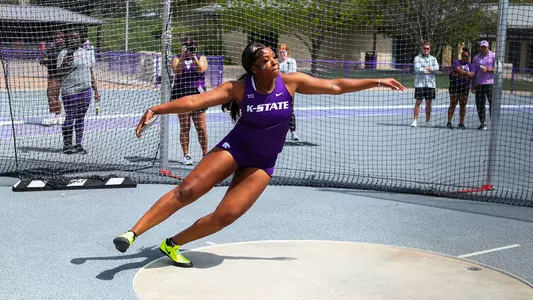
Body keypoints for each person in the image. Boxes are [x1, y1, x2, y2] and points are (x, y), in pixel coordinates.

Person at [112, 43, 405, 267]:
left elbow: (336, 86)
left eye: (272, 57)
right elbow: (196, 100)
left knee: (226, 215)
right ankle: (132, 233)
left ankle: (171, 244)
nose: (273, 61)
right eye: (266, 60)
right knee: (188, 190)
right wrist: (156, 109)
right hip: (235, 149)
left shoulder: (291, 82)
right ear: (255, 68)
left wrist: (377, 81)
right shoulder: (238, 88)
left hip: (263, 162)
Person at [56, 32, 100, 154]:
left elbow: (90, 72)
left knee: (80, 118)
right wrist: (65, 63)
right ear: (68, 39)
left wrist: (96, 90)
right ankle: (67, 145)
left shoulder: (86, 53)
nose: (74, 39)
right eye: (71, 37)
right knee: (70, 118)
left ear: (80, 38)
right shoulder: (63, 53)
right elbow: (58, 73)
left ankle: (78, 145)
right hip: (70, 91)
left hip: (86, 90)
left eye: (76, 37)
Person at [170, 38, 209, 165]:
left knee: (201, 127)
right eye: (186, 46)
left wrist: (193, 57)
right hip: (182, 93)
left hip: (197, 94)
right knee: (185, 126)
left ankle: (205, 154)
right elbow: (177, 71)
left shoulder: (201, 57)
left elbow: (200, 69)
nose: (188, 49)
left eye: (191, 47)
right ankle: (186, 155)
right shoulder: (176, 58)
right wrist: (182, 56)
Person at [39, 31, 65, 126]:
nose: (59, 39)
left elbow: (53, 61)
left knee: (51, 96)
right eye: (57, 38)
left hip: (56, 76)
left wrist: (46, 61)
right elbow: (46, 59)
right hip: (53, 75)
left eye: (61, 37)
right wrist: (43, 60)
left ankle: (54, 117)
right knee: (54, 96)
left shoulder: (62, 50)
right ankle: (57, 116)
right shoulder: (51, 49)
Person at [411, 42, 439, 128]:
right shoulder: (417, 58)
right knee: (418, 102)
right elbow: (417, 69)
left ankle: (428, 121)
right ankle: (415, 121)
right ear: (422, 49)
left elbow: (437, 68)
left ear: (430, 49)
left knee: (429, 103)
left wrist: (427, 69)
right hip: (420, 84)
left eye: (428, 48)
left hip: (430, 84)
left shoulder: (433, 59)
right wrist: (429, 70)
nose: (426, 50)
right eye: (425, 48)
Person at [447, 49, 475, 129]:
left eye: (466, 56)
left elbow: (472, 75)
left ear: (469, 57)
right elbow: (457, 70)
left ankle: (461, 123)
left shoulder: (471, 66)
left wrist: (460, 74)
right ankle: (449, 122)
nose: (464, 58)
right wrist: (466, 73)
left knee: (463, 105)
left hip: (465, 88)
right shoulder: (457, 62)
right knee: (453, 104)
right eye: (463, 56)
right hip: (455, 86)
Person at [278, 43, 299, 141]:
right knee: (279, 110)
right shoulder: (277, 63)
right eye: (280, 52)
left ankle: (293, 133)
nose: (282, 54)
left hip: (289, 89)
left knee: (290, 110)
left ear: (287, 52)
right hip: (278, 89)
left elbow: (291, 74)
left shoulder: (291, 61)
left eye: (284, 52)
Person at [472, 40, 495, 130]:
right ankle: (483, 123)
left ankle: (493, 124)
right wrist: (473, 84)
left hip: (490, 83)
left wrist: (488, 70)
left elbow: (498, 69)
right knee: (480, 103)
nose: (483, 48)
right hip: (479, 83)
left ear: (487, 47)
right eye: (482, 47)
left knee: (492, 104)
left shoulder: (493, 55)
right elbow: (474, 71)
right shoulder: (476, 58)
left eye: (485, 47)